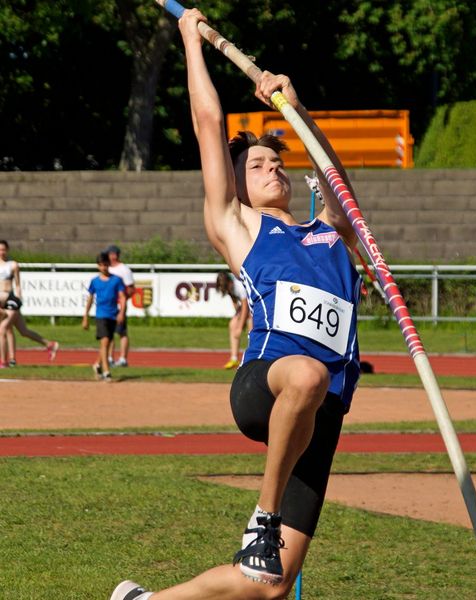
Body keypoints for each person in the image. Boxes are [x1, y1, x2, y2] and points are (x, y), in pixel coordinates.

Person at [111, 8, 361, 600]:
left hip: (320, 416)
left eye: (279, 162)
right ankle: (263, 518)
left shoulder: (327, 232)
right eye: (257, 164)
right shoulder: (241, 227)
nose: (274, 167)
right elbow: (207, 123)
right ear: (237, 183)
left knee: (267, 584)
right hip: (266, 386)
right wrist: (190, 42)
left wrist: (297, 111)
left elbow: (339, 181)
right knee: (305, 372)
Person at [0, 239, 59, 368]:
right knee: (23, 331)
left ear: (7, 250)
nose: (1, 252)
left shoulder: (13, 265)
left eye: (3, 249)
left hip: (10, 300)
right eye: (0, 250)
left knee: (3, 329)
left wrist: (19, 298)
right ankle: (50, 344)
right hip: (1, 302)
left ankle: (3, 362)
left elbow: (18, 284)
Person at [82, 251, 126, 383]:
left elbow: (122, 297)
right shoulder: (95, 281)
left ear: (109, 265)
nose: (104, 268)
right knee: (105, 341)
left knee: (108, 342)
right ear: (98, 266)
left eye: (106, 265)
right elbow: (90, 299)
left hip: (113, 315)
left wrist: (121, 312)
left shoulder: (117, 280)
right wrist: (85, 316)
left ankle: (97, 364)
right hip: (101, 315)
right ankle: (106, 371)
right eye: (101, 265)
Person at [106, 244, 135, 367]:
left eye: (113, 254)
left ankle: (123, 358)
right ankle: (109, 357)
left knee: (121, 332)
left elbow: (131, 288)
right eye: (109, 254)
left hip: (119, 305)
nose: (111, 256)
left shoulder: (124, 269)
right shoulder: (106, 268)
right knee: (109, 333)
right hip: (108, 305)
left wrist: (122, 299)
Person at [216, 271, 252, 369]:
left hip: (253, 304)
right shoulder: (227, 285)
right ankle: (234, 359)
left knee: (250, 324)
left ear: (229, 282)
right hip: (245, 306)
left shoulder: (239, 286)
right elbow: (234, 299)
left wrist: (240, 327)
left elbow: (245, 306)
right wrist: (238, 316)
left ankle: (252, 359)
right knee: (232, 324)